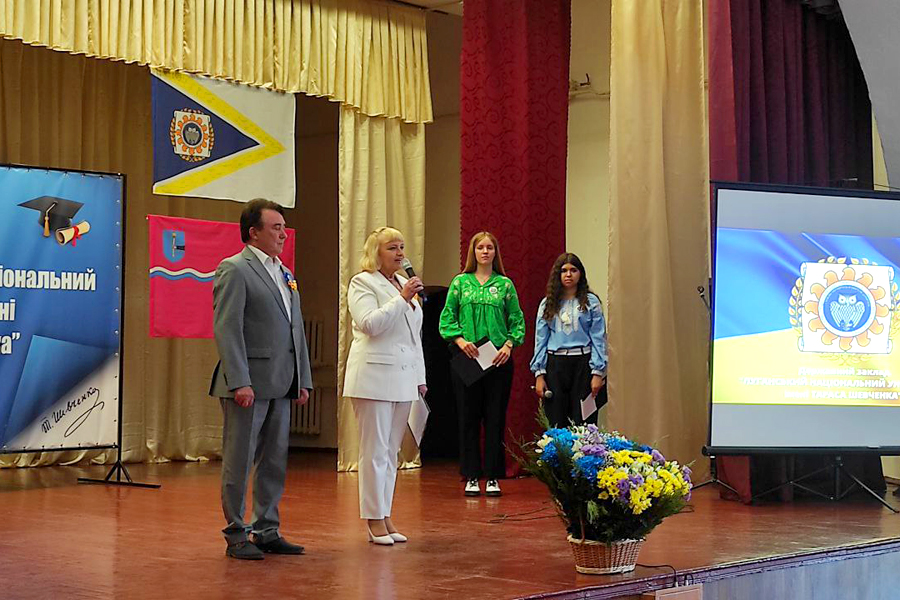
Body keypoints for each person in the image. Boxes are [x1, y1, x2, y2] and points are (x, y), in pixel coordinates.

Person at [209, 198, 313, 561]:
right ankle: (236, 533)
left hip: (281, 381)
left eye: (284, 228)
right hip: (249, 384)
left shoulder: (285, 272)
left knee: (274, 460)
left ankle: (267, 529)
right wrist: (239, 380)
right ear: (253, 232)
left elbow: (295, 328)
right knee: (239, 460)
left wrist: (302, 378)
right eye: (276, 228)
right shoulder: (235, 269)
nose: (283, 234)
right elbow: (227, 328)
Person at [343, 227, 427, 546]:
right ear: (375, 253)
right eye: (392, 247)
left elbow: (413, 337)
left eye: (402, 247)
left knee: (391, 451)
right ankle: (373, 518)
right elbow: (370, 324)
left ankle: (385, 513)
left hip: (403, 378)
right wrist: (402, 298)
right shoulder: (362, 282)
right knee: (374, 450)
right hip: (374, 377)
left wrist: (420, 377)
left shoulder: (402, 283)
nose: (400, 253)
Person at [439, 231, 525, 497]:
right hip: (468, 359)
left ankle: (493, 476)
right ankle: (472, 475)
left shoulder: (505, 285)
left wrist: (508, 345)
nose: (485, 252)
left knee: (495, 418)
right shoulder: (460, 283)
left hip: (497, 360)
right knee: (468, 418)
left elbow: (517, 320)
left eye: (489, 247)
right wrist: (460, 340)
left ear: (495, 252)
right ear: (473, 252)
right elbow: (447, 318)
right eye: (480, 247)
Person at [530, 253, 607, 428]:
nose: (568, 274)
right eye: (564, 271)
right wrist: (539, 374)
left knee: (583, 421)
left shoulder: (591, 302)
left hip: (583, 364)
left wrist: (597, 373)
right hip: (555, 364)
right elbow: (540, 340)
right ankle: (558, 447)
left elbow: (598, 337)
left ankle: (585, 447)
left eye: (573, 270)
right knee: (556, 420)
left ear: (581, 274)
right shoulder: (548, 304)